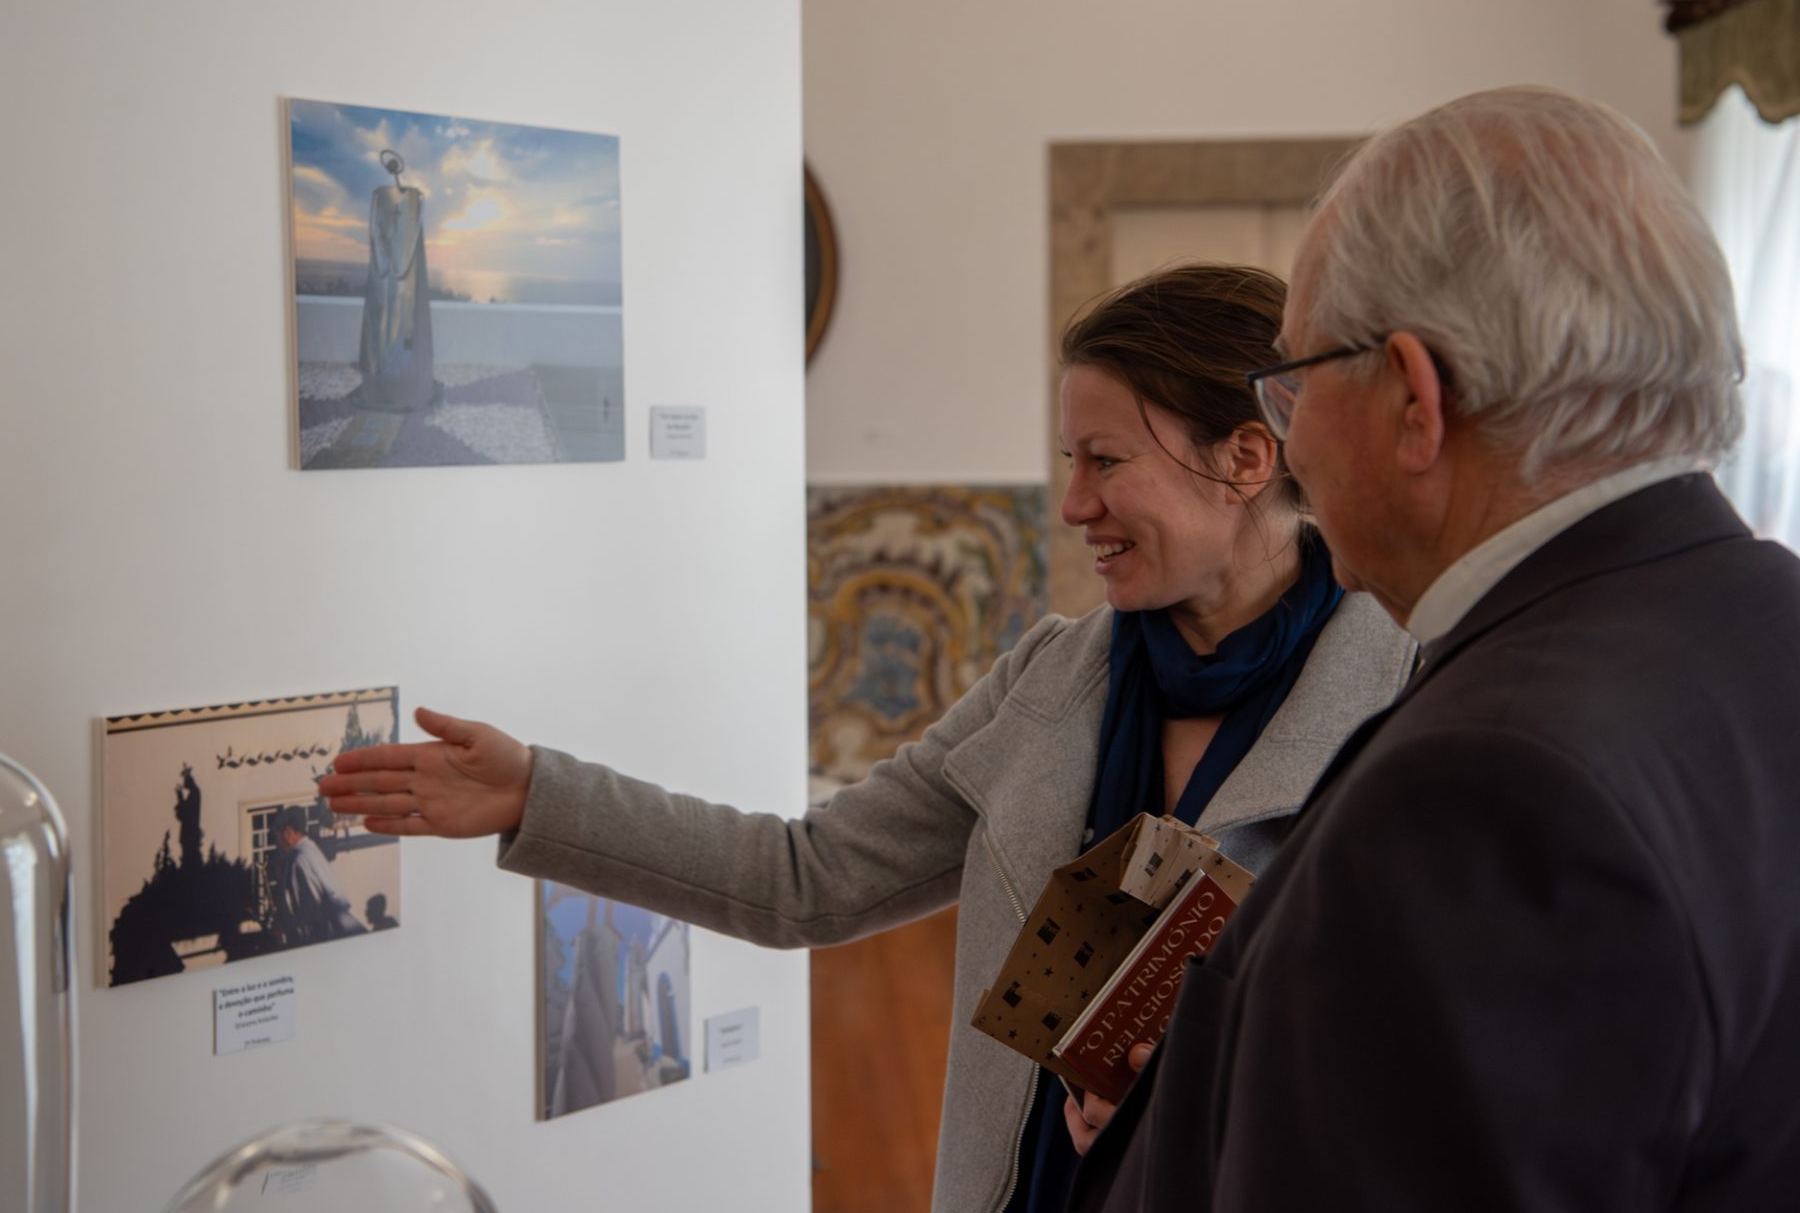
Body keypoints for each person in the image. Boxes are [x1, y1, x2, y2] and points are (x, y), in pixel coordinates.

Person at [319, 263, 1418, 1213]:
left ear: (1245, 459)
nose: (1074, 501)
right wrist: (533, 794)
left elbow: (1429, 1068)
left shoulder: (1409, 698)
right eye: (1068, 459)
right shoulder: (1050, 678)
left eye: (1106, 460)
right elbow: (807, 876)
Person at [1072, 87, 1800, 1213]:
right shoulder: (1762, 616)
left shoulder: (1487, 789)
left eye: (1297, 384)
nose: (1294, 435)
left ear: (1415, 396)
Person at [269, 806, 366, 945]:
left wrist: (284, 925)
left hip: (327, 936)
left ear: (288, 833)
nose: (278, 846)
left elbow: (309, 909)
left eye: (277, 838)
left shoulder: (299, 860)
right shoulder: (311, 849)